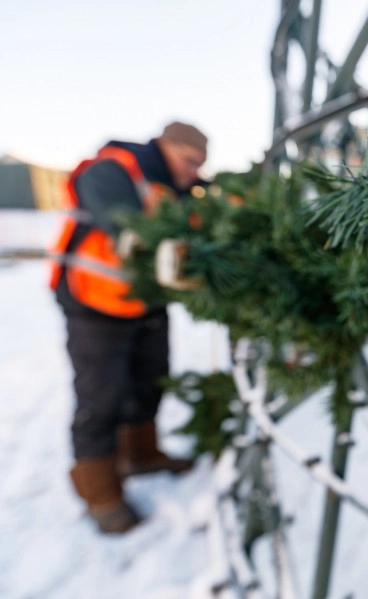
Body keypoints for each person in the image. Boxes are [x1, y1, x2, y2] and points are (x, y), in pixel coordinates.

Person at [50, 122, 208, 533]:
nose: (193, 172)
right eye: (189, 161)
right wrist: (135, 235)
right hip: (95, 303)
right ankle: (101, 496)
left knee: (150, 381)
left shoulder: (177, 189)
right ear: (166, 147)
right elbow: (121, 218)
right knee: (100, 399)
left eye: (199, 165)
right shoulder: (113, 169)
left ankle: (142, 455)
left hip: (147, 304)